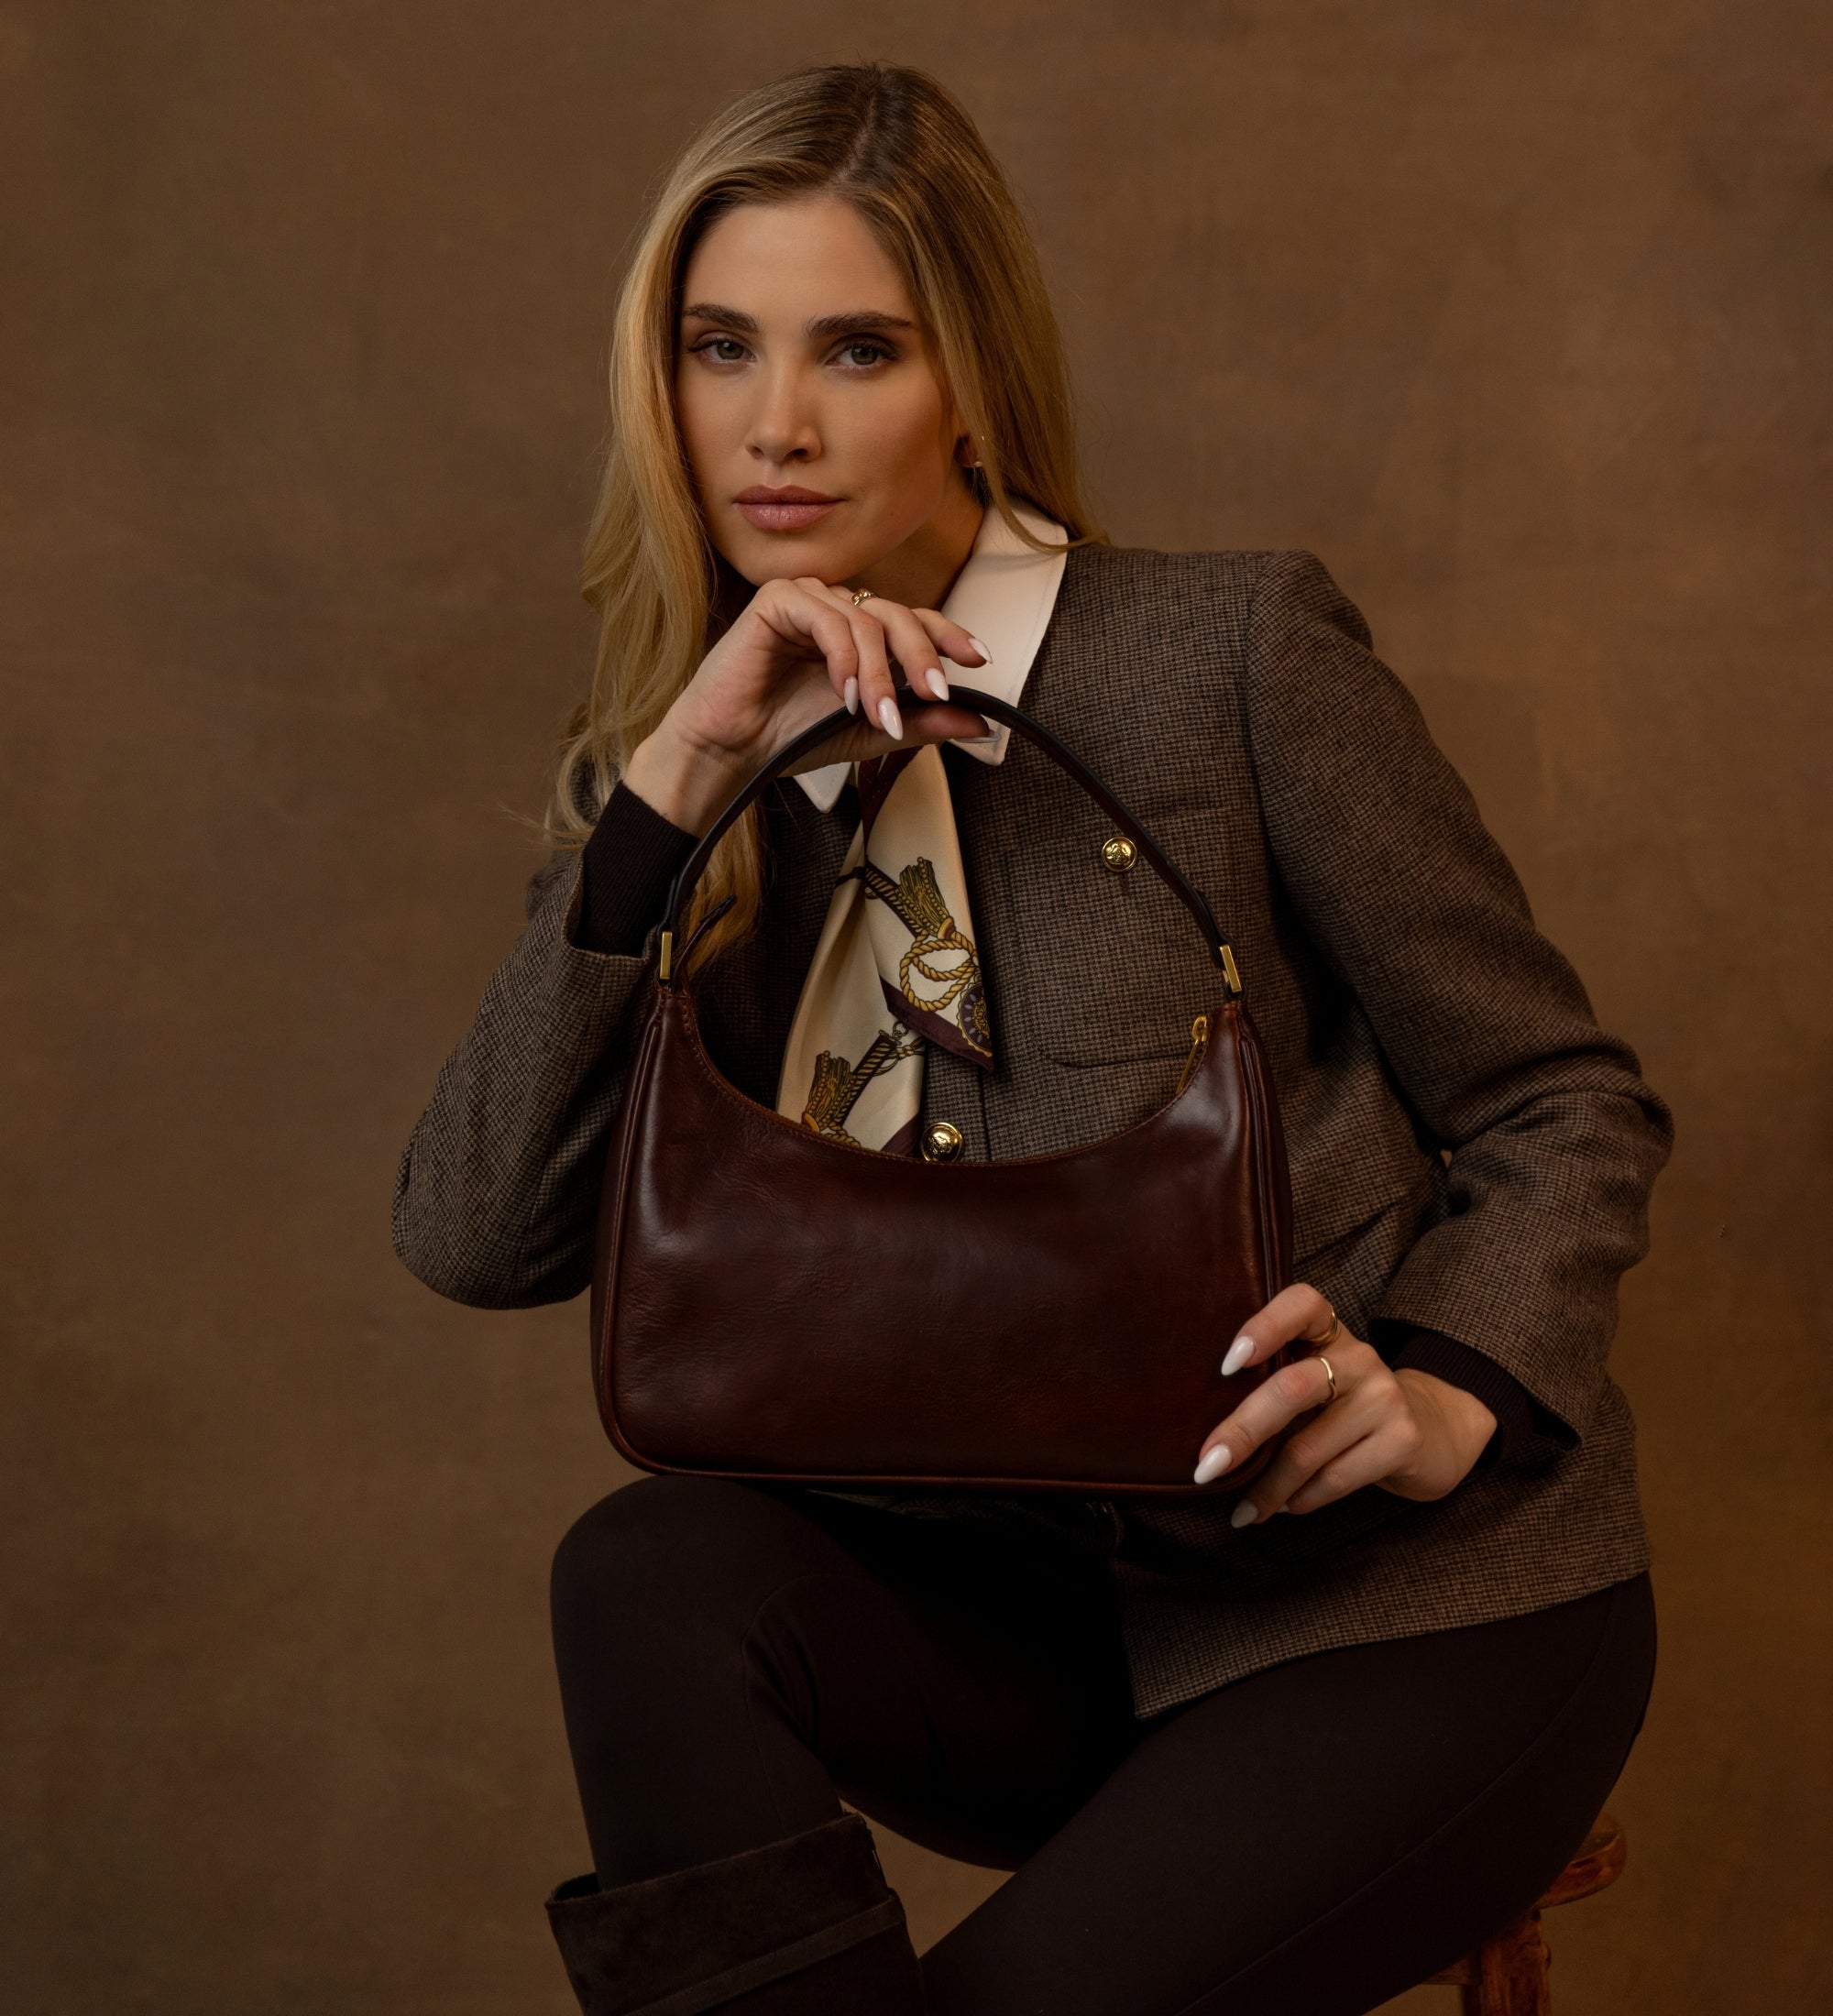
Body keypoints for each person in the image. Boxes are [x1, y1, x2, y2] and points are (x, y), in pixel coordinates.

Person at [392, 60, 1671, 2016]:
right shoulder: (692, 773)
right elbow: (475, 1232)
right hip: (1031, 1635)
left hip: (1392, 1608)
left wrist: (1444, 1387)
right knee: (639, 1569)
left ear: (972, 379)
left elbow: (1557, 1096)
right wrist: (676, 780)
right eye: (720, 347)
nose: (775, 424)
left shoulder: (1226, 653)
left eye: (859, 349)